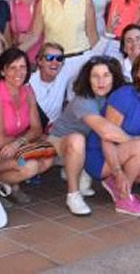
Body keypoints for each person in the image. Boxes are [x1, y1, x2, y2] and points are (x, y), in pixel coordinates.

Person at [84, 51, 140, 216]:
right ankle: (124, 198)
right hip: (100, 156)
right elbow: (106, 138)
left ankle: (113, 184)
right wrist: (117, 172)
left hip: (127, 151)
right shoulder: (124, 95)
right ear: (137, 72)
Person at [0, 48, 56, 204]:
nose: (18, 72)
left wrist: (18, 143)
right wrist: (21, 143)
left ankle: (9, 184)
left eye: (22, 67)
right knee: (29, 166)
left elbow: (37, 128)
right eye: (12, 67)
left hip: (16, 147)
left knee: (48, 157)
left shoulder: (27, 91)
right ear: (3, 71)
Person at [48, 56, 124, 216]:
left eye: (106, 75)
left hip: (88, 142)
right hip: (59, 143)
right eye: (95, 76)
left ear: (114, 77)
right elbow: (105, 131)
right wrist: (137, 142)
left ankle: (83, 171)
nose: (101, 81)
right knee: (78, 139)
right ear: (87, 79)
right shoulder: (83, 100)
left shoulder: (115, 96)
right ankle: (73, 195)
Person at [20, 0, 99, 65]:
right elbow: (34, 36)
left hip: (80, 60)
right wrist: (14, 54)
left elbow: (93, 37)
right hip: (52, 62)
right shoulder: (43, 0)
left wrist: (98, 62)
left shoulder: (85, 1)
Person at [29, 42, 86, 127]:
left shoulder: (63, 72)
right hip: (33, 129)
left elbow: (93, 55)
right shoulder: (29, 83)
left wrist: (108, 34)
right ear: (39, 61)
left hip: (55, 129)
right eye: (49, 58)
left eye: (59, 58)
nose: (54, 62)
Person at [8, 0, 43, 66]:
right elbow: (6, 38)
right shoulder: (8, 6)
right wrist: (16, 39)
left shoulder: (46, 1)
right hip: (22, 63)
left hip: (47, 62)